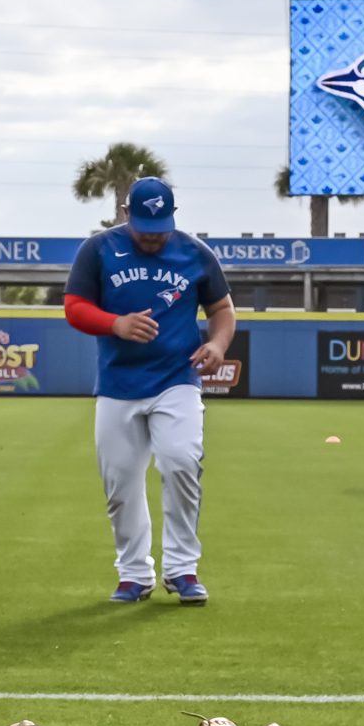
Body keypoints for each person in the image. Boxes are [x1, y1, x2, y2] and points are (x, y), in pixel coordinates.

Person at [62, 176, 237, 604]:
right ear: (126, 215)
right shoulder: (99, 250)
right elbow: (74, 306)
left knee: (180, 462)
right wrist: (115, 323)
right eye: (145, 227)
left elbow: (221, 309)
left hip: (176, 379)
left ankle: (182, 569)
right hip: (118, 384)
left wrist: (216, 344)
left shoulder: (195, 252)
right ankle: (134, 574)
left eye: (161, 226)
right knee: (120, 482)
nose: (154, 236)